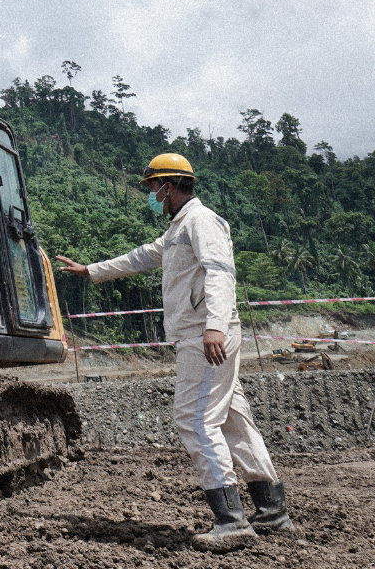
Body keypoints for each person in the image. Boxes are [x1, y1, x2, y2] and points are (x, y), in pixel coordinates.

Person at [56, 153, 294, 552]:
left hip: (205, 334)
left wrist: (215, 325)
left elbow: (219, 271)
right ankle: (271, 509)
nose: (150, 195)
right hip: (202, 332)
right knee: (232, 417)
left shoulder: (202, 221)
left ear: (169, 186)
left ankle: (231, 520)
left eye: (153, 188)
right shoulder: (177, 228)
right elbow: (144, 256)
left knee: (194, 418)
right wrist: (92, 270)